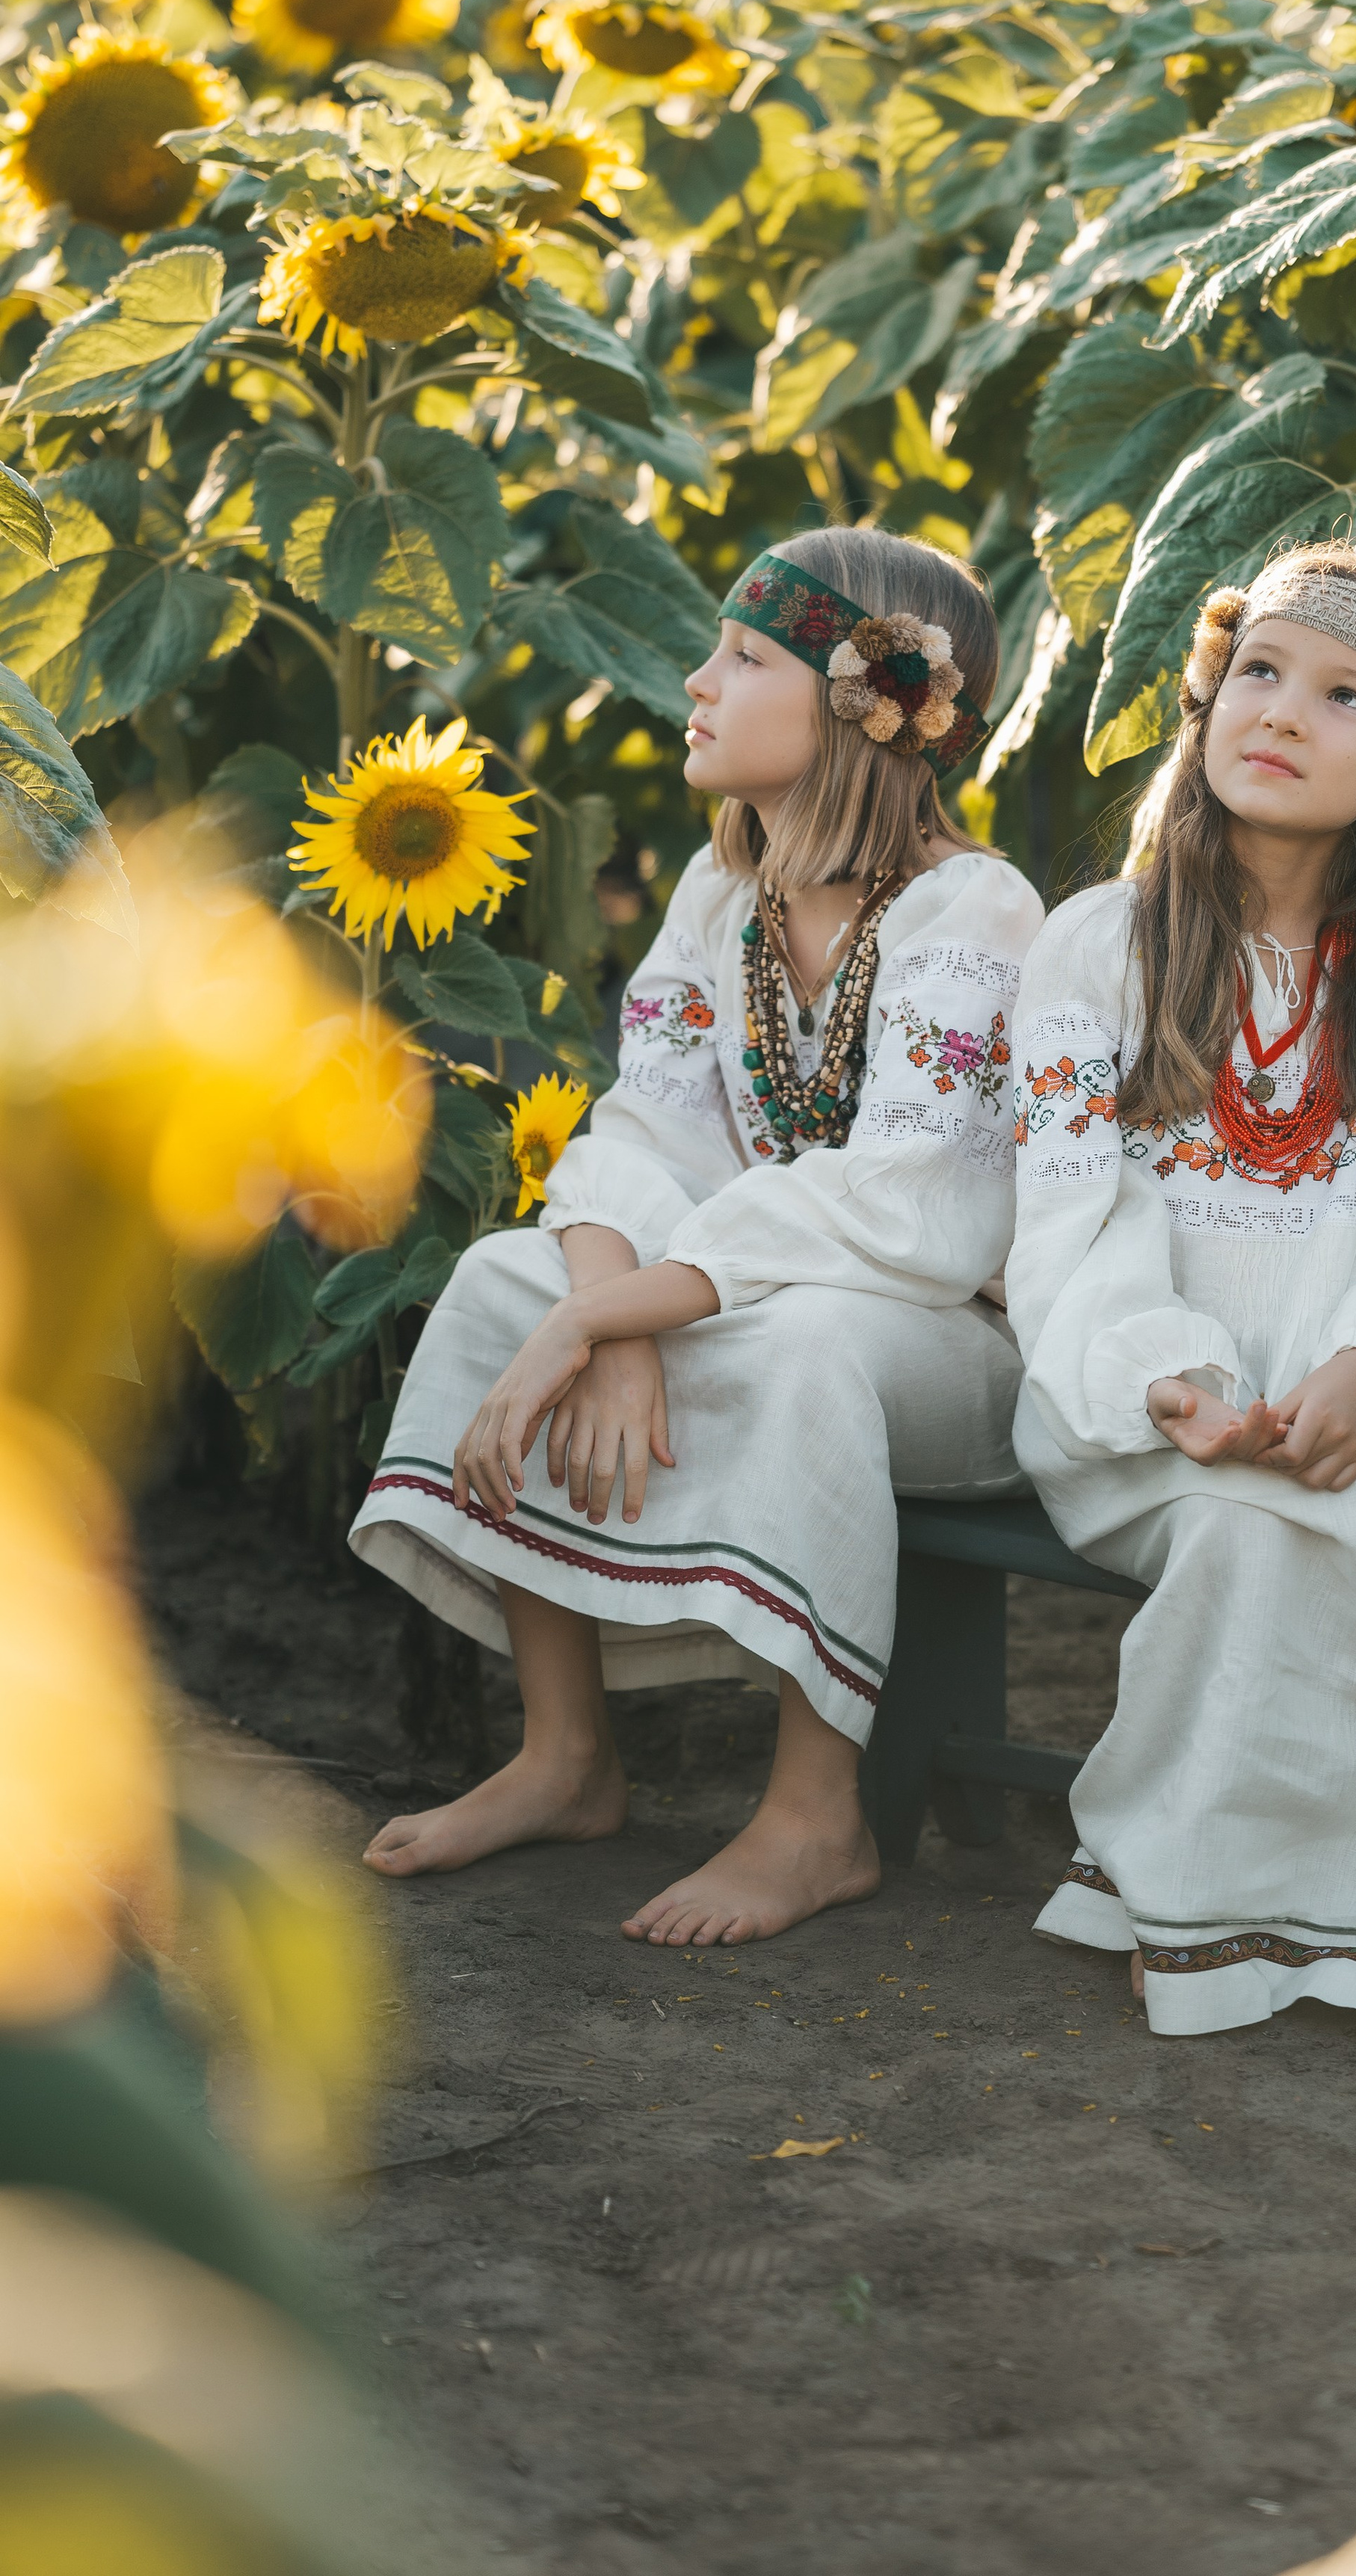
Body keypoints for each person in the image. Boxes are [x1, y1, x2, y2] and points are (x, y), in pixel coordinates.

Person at [351, 527, 1043, 1947]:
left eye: (746, 657)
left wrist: (612, 1315)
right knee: (504, 1276)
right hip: (753, 1291)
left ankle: (817, 1818)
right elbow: (645, 1133)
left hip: (954, 1349)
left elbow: (908, 1201)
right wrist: (599, 1318)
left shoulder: (973, 910)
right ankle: (566, 1755)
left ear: (866, 707)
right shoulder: (723, 898)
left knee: (803, 1340)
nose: (698, 681)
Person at [1005, 538, 1356, 2037]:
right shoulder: (1099, 946)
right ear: (1207, 699)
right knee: (1245, 1524)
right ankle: (1193, 1894)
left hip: (1342, 1385)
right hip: (1129, 1400)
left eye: (1343, 696)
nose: (1283, 711)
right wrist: (1170, 1376)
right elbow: (1071, 1218)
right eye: (1258, 671)